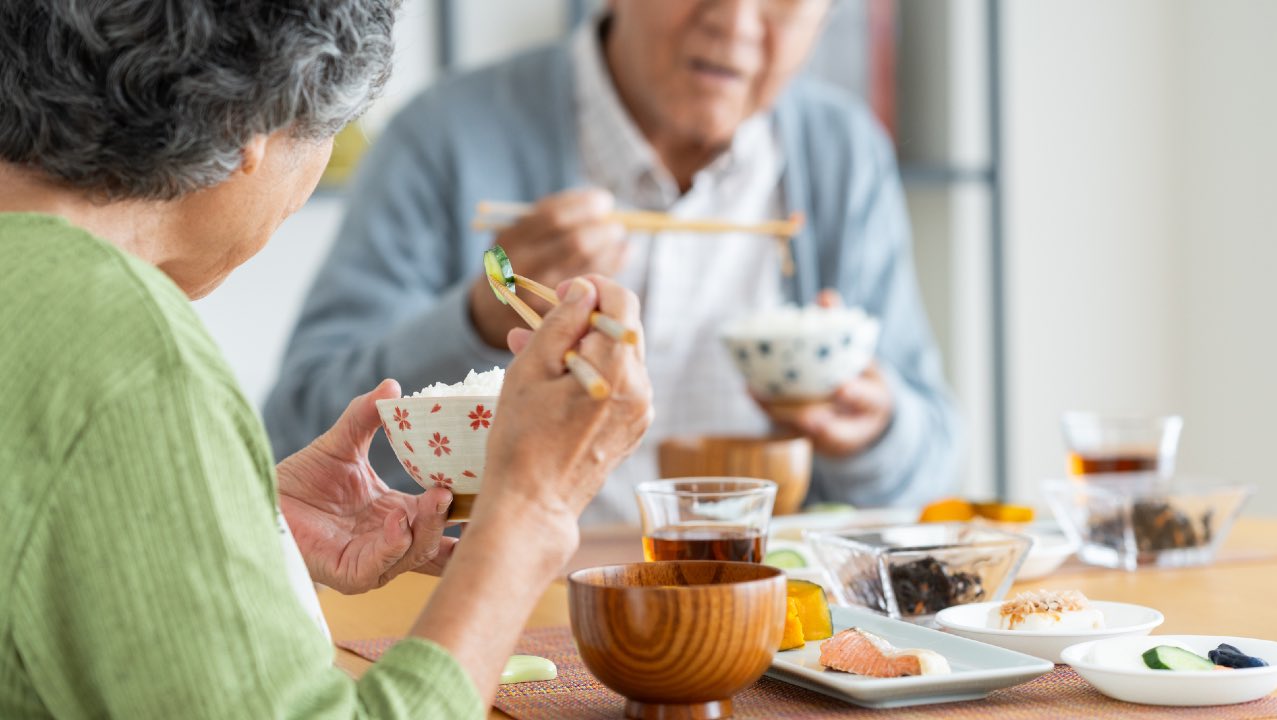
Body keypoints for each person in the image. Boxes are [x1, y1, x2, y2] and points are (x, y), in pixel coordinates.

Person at [0, 1, 651, 718]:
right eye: (330, 133)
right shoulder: (124, 349)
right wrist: (531, 509)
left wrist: (240, 523)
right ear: (252, 117)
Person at [266, 0, 959, 524]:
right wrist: (479, 317)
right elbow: (300, 436)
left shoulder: (842, 152)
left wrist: (869, 428)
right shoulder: (446, 134)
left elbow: (928, 467)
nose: (737, 21)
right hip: (509, 609)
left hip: (766, 623)